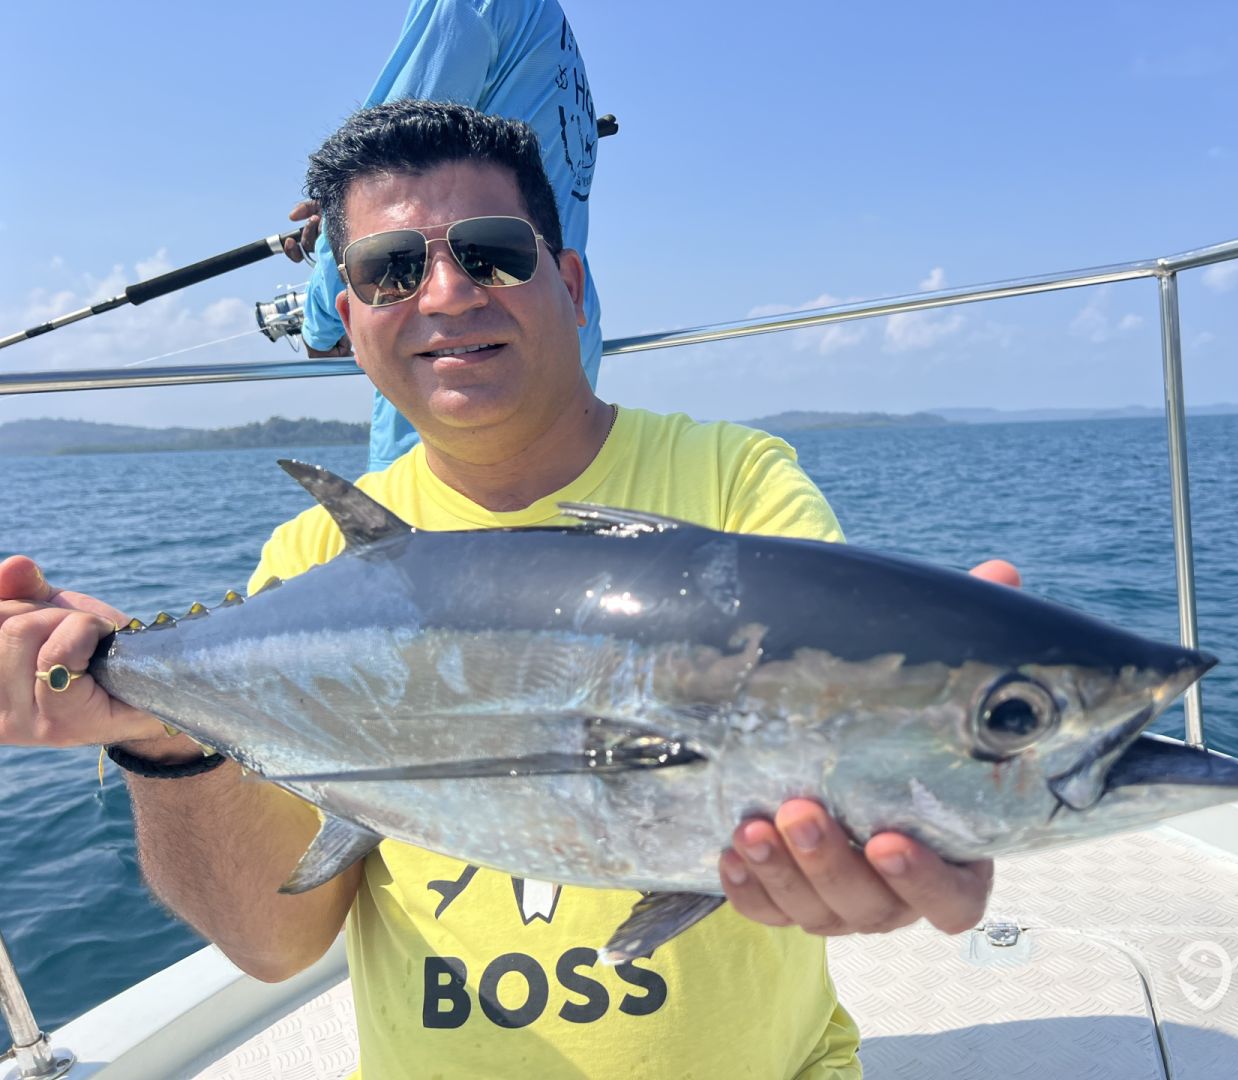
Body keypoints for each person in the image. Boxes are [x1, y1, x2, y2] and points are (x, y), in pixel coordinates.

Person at [0, 102, 1009, 1078]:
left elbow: (850, 698)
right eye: (392, 270)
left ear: (568, 282)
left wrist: (947, 741)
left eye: (492, 253)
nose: (446, 295)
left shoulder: (736, 489)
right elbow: (276, 945)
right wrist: (154, 732)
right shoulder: (311, 561)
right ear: (350, 317)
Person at [286, 0, 605, 474]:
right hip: (562, 346)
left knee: (424, 517)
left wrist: (322, 325)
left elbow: (379, 177)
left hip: (451, 360)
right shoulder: (552, 31)